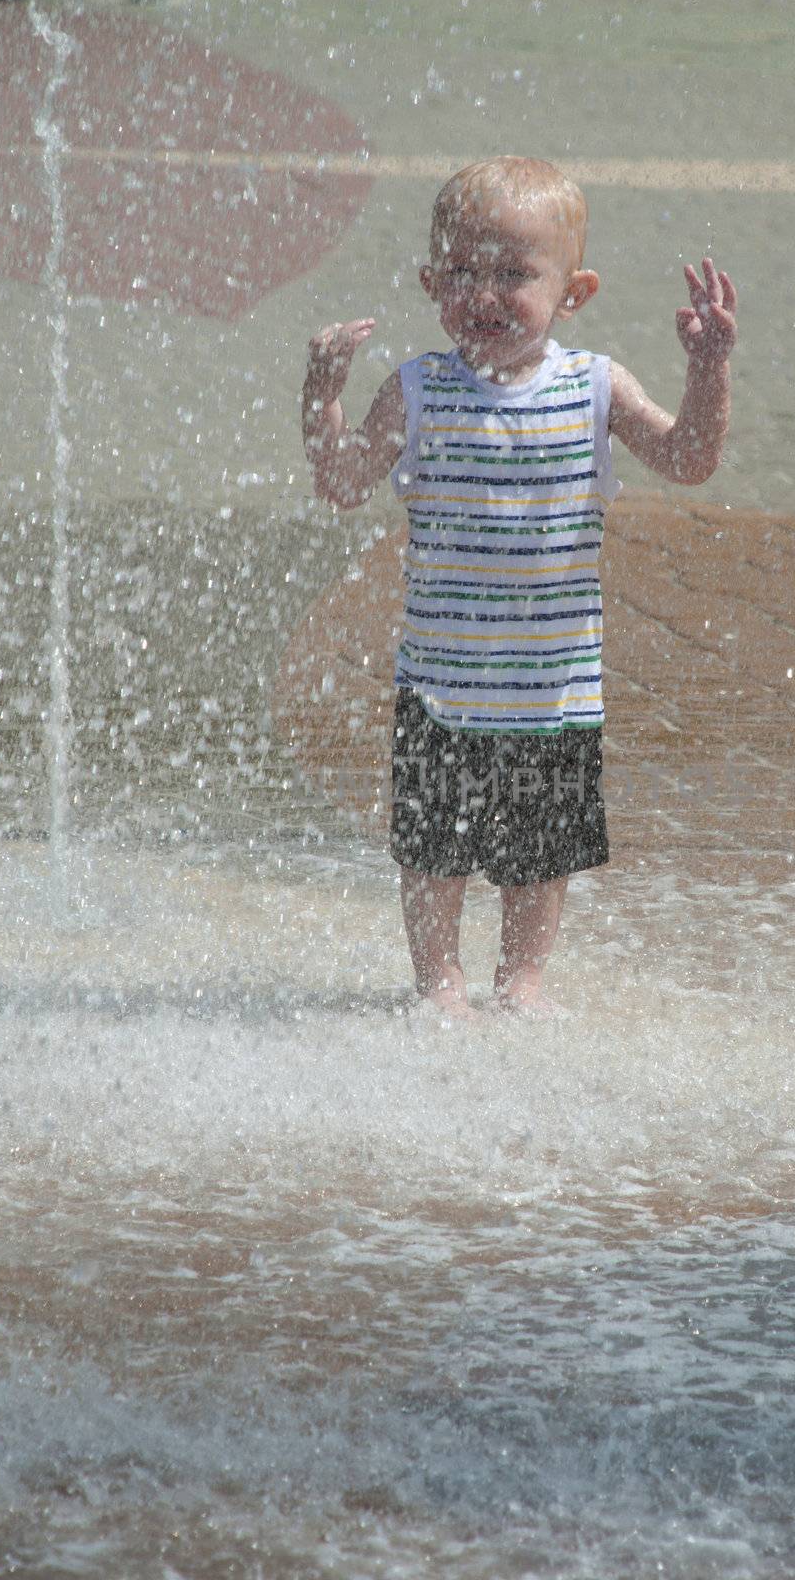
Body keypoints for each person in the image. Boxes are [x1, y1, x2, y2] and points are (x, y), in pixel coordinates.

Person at [301, 155, 736, 1017]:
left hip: (554, 691)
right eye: (461, 272)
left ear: (572, 292)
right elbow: (345, 482)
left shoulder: (595, 388)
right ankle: (439, 982)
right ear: (431, 283)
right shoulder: (419, 390)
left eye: (513, 274)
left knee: (542, 854)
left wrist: (710, 367)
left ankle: (522, 980)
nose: (485, 294)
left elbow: (688, 460)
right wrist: (322, 400)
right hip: (442, 685)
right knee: (433, 849)